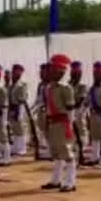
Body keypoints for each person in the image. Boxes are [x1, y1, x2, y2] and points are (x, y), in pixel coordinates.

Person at [41, 54, 77, 192]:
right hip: (53, 124)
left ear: (61, 71)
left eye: (53, 69)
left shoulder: (65, 88)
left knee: (67, 153)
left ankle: (70, 182)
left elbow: (70, 109)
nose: (50, 72)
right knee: (56, 153)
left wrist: (70, 126)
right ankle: (56, 180)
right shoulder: (49, 87)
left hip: (63, 123)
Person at [69, 61, 88, 159]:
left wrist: (73, 108)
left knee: (80, 131)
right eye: (73, 72)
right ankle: (73, 151)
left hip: (78, 111)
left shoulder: (82, 86)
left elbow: (81, 100)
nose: (75, 74)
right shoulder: (67, 85)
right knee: (70, 132)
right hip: (68, 112)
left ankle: (81, 151)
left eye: (78, 72)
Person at [8, 64, 28, 156]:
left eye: (18, 72)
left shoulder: (22, 84)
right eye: (14, 71)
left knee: (20, 128)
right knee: (15, 127)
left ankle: (22, 148)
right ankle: (16, 147)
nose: (15, 73)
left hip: (19, 107)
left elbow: (22, 98)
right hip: (12, 107)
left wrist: (19, 111)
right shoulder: (12, 84)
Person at [34, 63, 51, 159]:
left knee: (49, 131)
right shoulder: (40, 85)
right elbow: (38, 98)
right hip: (41, 109)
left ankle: (51, 151)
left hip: (49, 110)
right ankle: (46, 149)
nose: (40, 74)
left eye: (43, 72)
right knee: (43, 129)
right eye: (40, 72)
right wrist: (34, 109)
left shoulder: (51, 85)